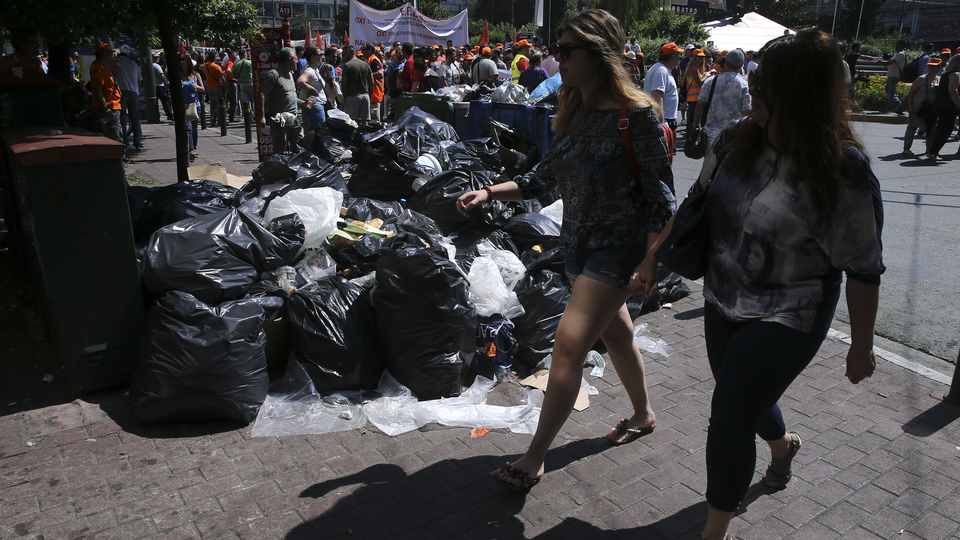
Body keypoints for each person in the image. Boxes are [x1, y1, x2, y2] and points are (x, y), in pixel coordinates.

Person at [636, 29, 884, 540]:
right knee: (739, 395)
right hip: (722, 297)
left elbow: (863, 267)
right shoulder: (736, 139)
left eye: (764, 83)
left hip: (791, 313)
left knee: (727, 417)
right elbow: (694, 203)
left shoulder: (844, 170)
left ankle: (715, 532)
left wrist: (862, 347)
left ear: (798, 94)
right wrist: (652, 259)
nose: (753, 91)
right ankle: (782, 445)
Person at [457, 8, 675, 491]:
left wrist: (650, 259)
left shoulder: (636, 116)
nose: (556, 58)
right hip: (576, 248)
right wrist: (491, 192)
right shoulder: (573, 111)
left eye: (566, 50)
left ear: (598, 54)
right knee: (617, 336)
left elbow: (662, 197)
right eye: (557, 49)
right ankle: (643, 414)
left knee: (568, 347)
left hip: (615, 253)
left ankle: (534, 457)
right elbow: (543, 178)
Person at [695, 49, 751, 153]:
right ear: (741, 65)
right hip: (733, 134)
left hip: (711, 133)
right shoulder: (744, 85)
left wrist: (696, 125)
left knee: (709, 166)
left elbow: (700, 105)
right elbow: (746, 112)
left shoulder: (711, 81)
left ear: (725, 63)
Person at [258, 47, 301, 154]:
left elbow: (289, 96)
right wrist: (261, 116)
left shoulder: (290, 74)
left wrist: (304, 103)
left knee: (300, 147)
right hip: (280, 121)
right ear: (289, 60)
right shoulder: (274, 74)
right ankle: (278, 170)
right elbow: (261, 94)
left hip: (294, 118)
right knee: (280, 151)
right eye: (296, 59)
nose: (297, 61)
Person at [903, 57, 940, 155]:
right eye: (930, 66)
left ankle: (929, 149)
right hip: (919, 106)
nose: (931, 68)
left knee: (931, 128)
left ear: (938, 68)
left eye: (934, 66)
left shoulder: (939, 79)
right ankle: (907, 148)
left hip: (931, 108)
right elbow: (911, 92)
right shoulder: (922, 79)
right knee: (912, 127)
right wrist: (910, 105)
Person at [926, 55, 960, 160]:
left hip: (941, 105)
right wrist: (959, 104)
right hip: (948, 107)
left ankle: (932, 151)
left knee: (941, 128)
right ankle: (933, 151)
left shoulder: (946, 74)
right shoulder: (955, 75)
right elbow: (952, 91)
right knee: (946, 129)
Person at [109, 52, 143, 150]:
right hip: (133, 93)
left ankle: (124, 142)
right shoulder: (133, 64)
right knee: (135, 119)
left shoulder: (114, 62)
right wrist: (136, 92)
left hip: (120, 92)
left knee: (122, 118)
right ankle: (138, 143)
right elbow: (139, 81)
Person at [644, 42, 681, 132]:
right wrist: (662, 123)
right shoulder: (661, 70)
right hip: (665, 120)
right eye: (679, 55)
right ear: (673, 57)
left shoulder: (662, 69)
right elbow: (656, 96)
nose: (680, 58)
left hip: (668, 119)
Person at [90, 42, 122, 143]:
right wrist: (106, 108)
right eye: (110, 53)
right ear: (104, 54)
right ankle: (117, 158)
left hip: (113, 105)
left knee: (116, 133)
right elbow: (97, 89)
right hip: (110, 106)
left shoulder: (102, 67)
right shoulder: (98, 67)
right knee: (113, 134)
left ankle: (121, 157)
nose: (111, 55)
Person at [179, 51, 204, 161]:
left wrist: (196, 86)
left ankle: (194, 149)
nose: (182, 62)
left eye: (184, 59)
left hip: (195, 105)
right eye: (180, 60)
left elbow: (203, 89)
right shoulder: (178, 76)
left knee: (194, 128)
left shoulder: (195, 75)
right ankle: (191, 149)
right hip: (184, 105)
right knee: (188, 128)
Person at [296, 45, 327, 132]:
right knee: (318, 133)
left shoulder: (315, 70)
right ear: (313, 57)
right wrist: (312, 89)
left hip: (316, 105)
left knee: (313, 133)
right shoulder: (310, 70)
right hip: (315, 106)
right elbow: (300, 82)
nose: (322, 56)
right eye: (320, 54)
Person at [340, 46, 374, 123]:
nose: (343, 57)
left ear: (348, 53)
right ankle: (365, 135)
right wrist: (369, 95)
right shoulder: (365, 64)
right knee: (365, 122)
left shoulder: (347, 65)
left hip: (352, 97)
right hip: (365, 96)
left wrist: (344, 97)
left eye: (344, 54)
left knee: (352, 122)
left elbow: (344, 83)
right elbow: (371, 82)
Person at [878, 39, 905, 114]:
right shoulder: (898, 54)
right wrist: (888, 57)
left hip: (895, 75)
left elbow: (892, 62)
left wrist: (881, 62)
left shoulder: (901, 54)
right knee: (887, 90)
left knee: (891, 92)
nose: (896, 46)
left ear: (902, 45)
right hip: (892, 74)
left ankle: (888, 107)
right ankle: (898, 103)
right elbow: (891, 62)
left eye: (898, 44)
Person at [682, 48, 707, 129]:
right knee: (692, 122)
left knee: (693, 121)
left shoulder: (697, 68)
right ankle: (690, 139)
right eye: (699, 56)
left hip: (696, 98)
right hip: (694, 98)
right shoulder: (694, 68)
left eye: (702, 57)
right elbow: (700, 83)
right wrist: (707, 75)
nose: (701, 58)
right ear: (694, 57)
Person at [362, 43, 385, 121]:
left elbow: (380, 74)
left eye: (363, 50)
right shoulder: (370, 60)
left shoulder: (374, 60)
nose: (362, 52)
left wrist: (366, 76)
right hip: (372, 96)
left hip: (375, 96)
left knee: (374, 121)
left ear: (370, 50)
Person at [202, 51, 225, 126]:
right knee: (219, 105)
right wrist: (226, 87)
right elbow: (222, 77)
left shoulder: (205, 65)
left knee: (212, 105)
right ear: (215, 58)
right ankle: (220, 121)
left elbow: (202, 65)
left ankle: (212, 121)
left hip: (209, 87)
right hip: (217, 86)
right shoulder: (217, 67)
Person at [153, 52, 174, 121]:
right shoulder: (156, 66)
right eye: (156, 58)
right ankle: (170, 115)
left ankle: (156, 116)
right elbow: (161, 75)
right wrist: (166, 81)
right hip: (159, 86)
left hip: (153, 87)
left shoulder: (148, 66)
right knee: (165, 101)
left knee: (155, 103)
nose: (157, 58)